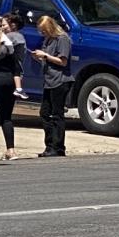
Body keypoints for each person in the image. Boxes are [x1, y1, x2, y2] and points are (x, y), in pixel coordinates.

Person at [0, 13, 27, 161]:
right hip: (11, 79)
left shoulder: (6, 38)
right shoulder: (18, 40)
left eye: (4, 24)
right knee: (6, 116)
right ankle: (11, 150)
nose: (2, 27)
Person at [33, 15, 73, 157]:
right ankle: (49, 145)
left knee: (57, 114)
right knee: (44, 113)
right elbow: (48, 60)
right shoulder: (48, 40)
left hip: (60, 80)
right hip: (49, 80)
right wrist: (39, 58)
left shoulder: (62, 39)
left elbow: (62, 61)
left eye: (44, 30)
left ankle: (58, 147)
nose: (42, 34)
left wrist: (45, 56)